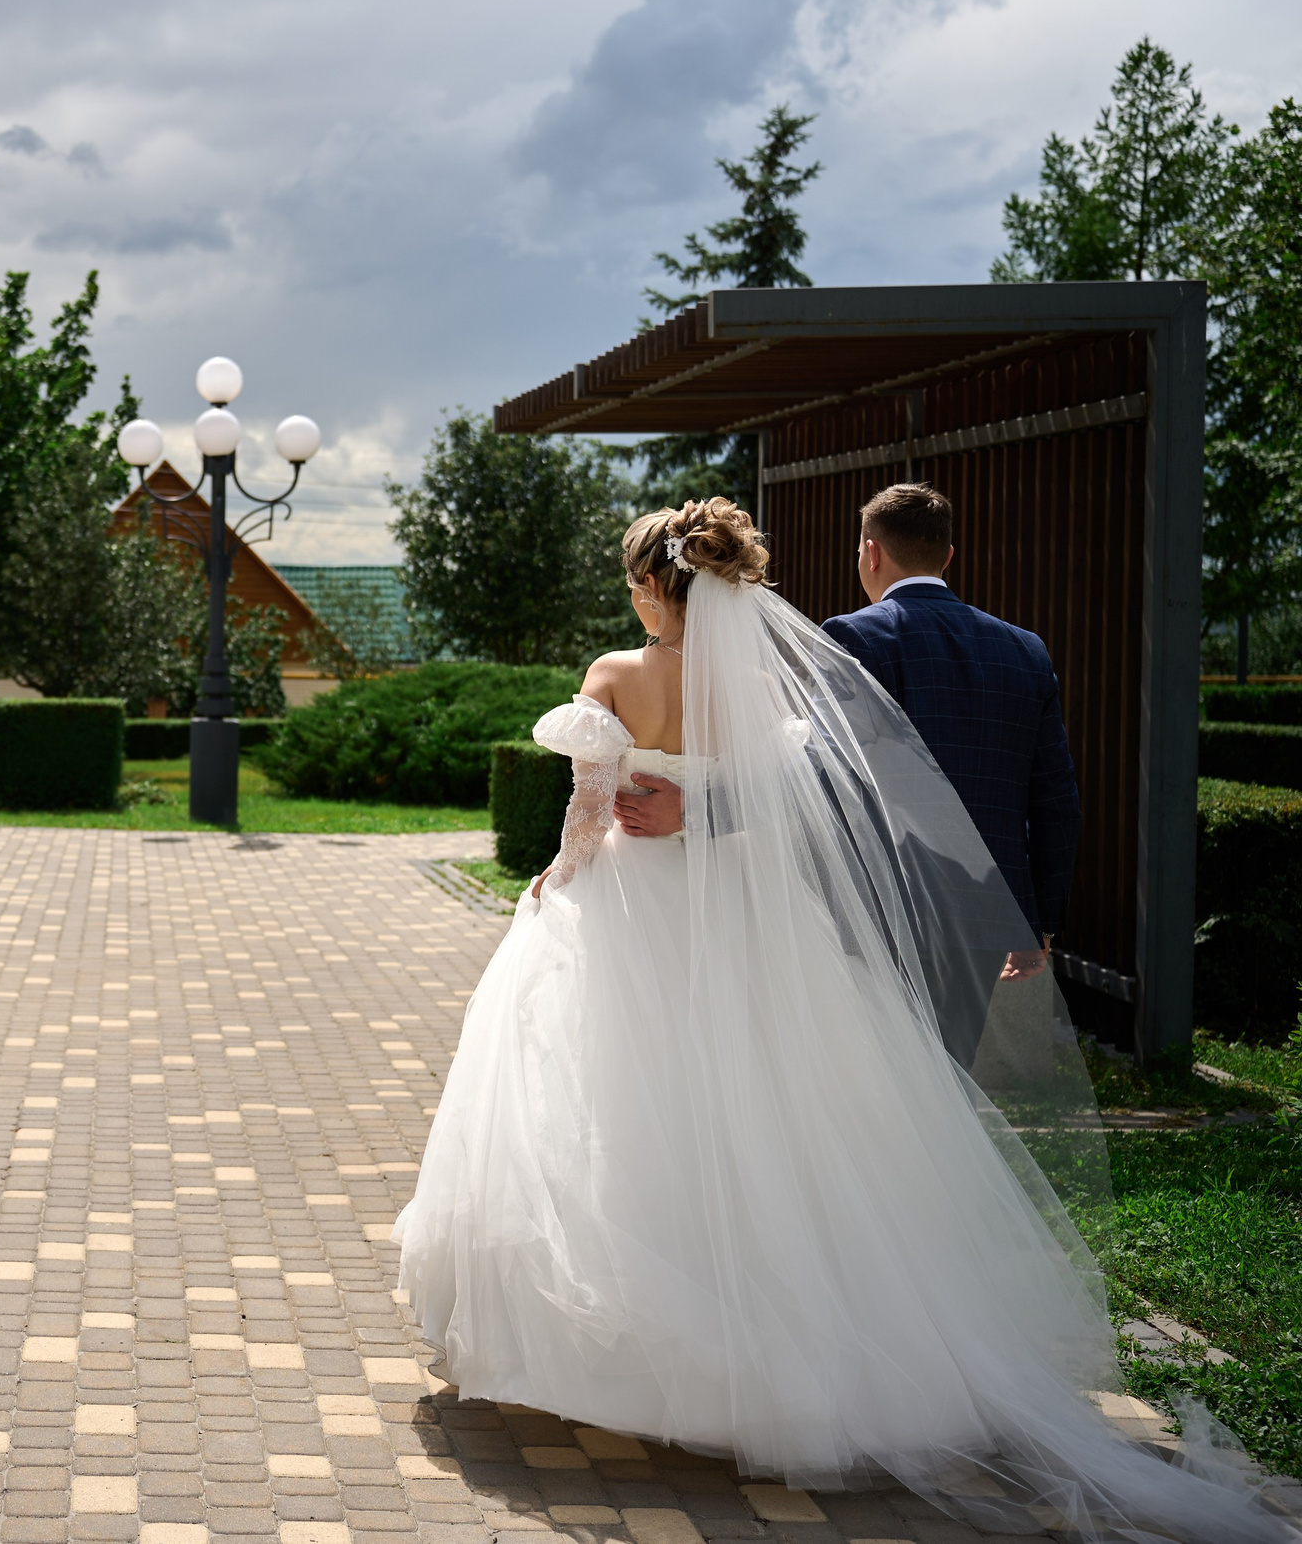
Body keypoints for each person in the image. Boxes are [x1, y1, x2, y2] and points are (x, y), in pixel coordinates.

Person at [393, 499, 1290, 1542]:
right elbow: (812, 797)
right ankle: (816, 1347)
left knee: (612, 1111)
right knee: (783, 1113)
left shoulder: (615, 675)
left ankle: (613, 1355)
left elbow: (589, 814)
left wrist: (554, 879)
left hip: (631, 910)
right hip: (743, 914)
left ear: (650, 584)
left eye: (629, 579)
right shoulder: (776, 678)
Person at [614, 482, 1078, 1061]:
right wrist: (1038, 921)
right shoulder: (1025, 650)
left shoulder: (858, 636)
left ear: (871, 553)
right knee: (947, 1078)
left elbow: (818, 770)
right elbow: (1056, 798)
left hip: (883, 902)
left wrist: (694, 809)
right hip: (985, 910)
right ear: (947, 557)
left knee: (887, 1078)